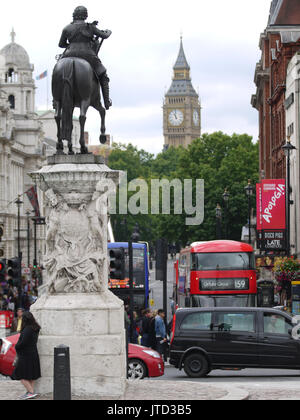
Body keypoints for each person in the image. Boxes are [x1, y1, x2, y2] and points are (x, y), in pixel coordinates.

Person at [58, 6, 112, 110]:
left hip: (69, 54)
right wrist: (108, 31)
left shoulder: (66, 28)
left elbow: (61, 44)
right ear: (85, 15)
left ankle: (55, 102)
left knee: (58, 71)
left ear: (74, 15)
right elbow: (104, 36)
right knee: (103, 74)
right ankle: (106, 101)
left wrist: (71, 45)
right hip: (88, 55)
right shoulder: (90, 27)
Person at [12, 312, 41, 400]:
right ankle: (30, 393)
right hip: (33, 354)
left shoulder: (27, 329)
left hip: (25, 355)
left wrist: (16, 346)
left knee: (20, 375)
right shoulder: (35, 328)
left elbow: (23, 343)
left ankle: (31, 392)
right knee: (31, 374)